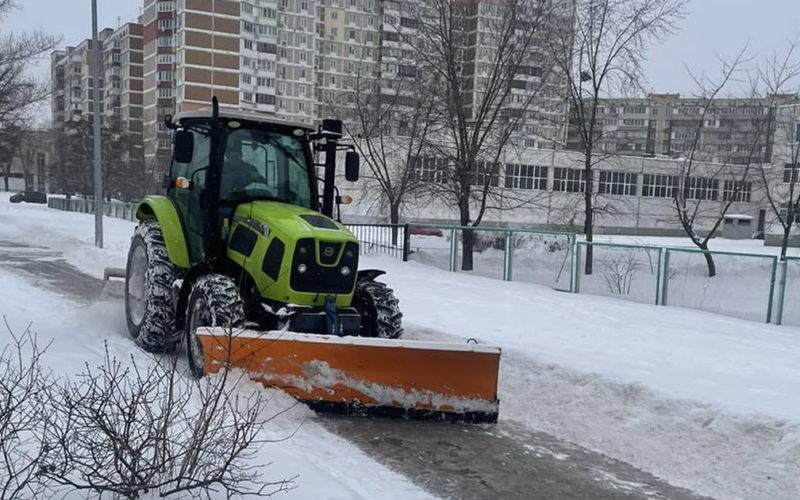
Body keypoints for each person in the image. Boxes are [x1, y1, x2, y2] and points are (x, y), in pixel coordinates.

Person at [220, 133, 269, 198]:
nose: (234, 159)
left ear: (241, 156)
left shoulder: (250, 169)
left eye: (236, 156)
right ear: (227, 156)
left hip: (245, 201)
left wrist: (256, 179)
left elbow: (262, 186)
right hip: (221, 201)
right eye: (232, 157)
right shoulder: (219, 169)